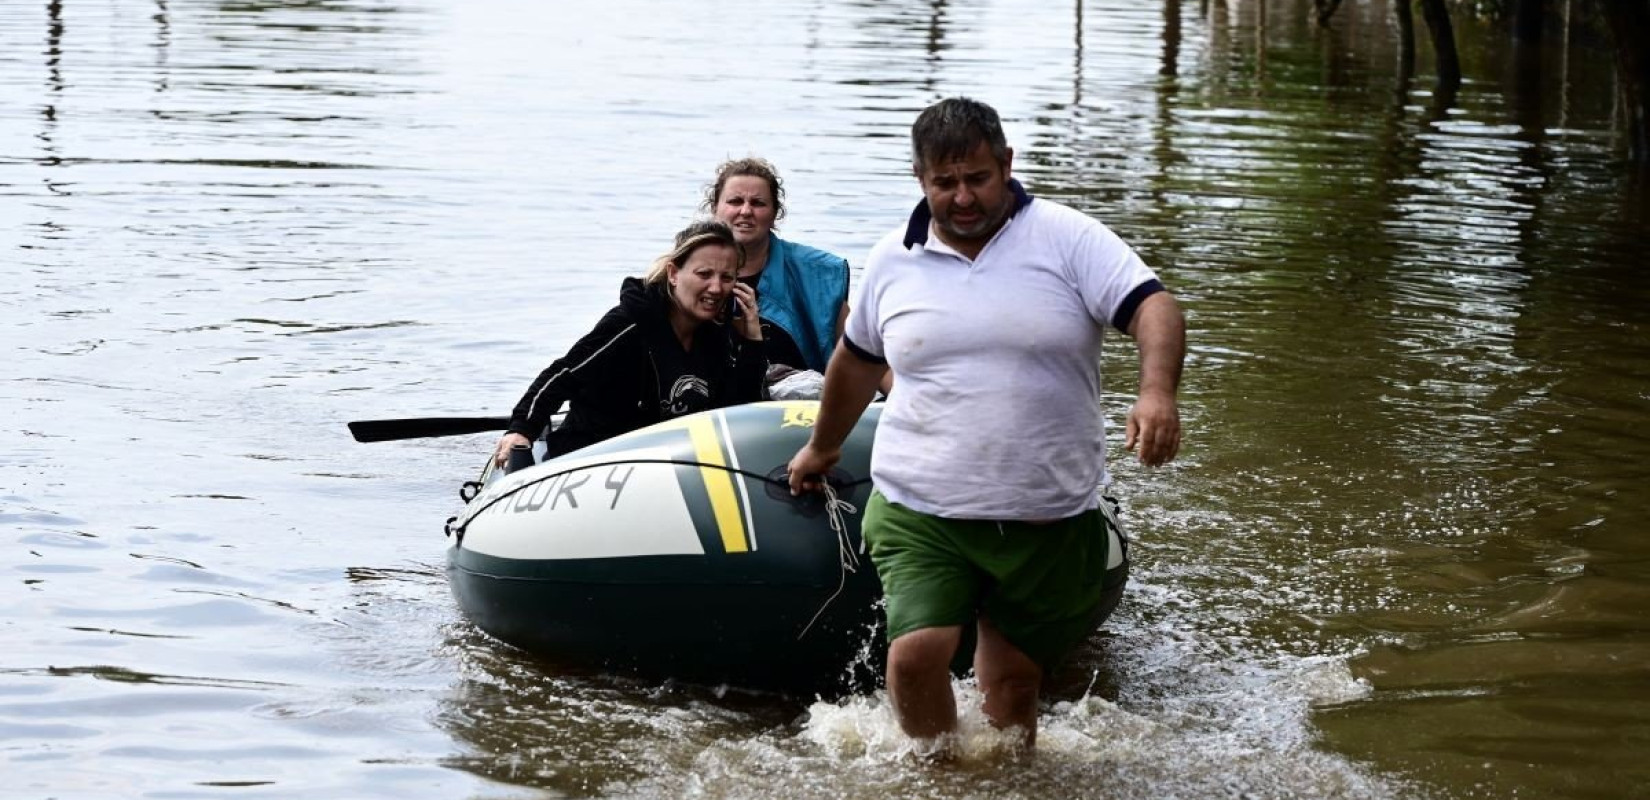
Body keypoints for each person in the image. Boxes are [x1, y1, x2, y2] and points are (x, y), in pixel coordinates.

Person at [786, 97, 1186, 751]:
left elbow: (1154, 307)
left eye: (977, 178)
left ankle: (1004, 783)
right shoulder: (893, 258)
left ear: (1006, 164)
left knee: (1013, 689)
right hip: (921, 505)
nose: (963, 197)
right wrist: (821, 448)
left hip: (1046, 515)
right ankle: (936, 777)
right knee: (915, 657)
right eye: (945, 182)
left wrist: (1156, 393)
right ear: (920, 178)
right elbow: (857, 363)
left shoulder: (1067, 238)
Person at [492, 220, 788, 466]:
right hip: (591, 462)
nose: (716, 288)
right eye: (704, 274)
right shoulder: (631, 323)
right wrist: (522, 429)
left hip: (669, 467)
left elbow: (736, 414)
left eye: (727, 277)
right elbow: (563, 374)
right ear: (674, 274)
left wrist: (752, 340)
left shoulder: (718, 335)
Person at [705, 157, 851, 374]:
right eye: (735, 201)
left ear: (775, 214)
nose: (745, 211)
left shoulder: (819, 274)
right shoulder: (684, 269)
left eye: (758, 203)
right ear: (714, 208)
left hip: (801, 390)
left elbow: (862, 352)